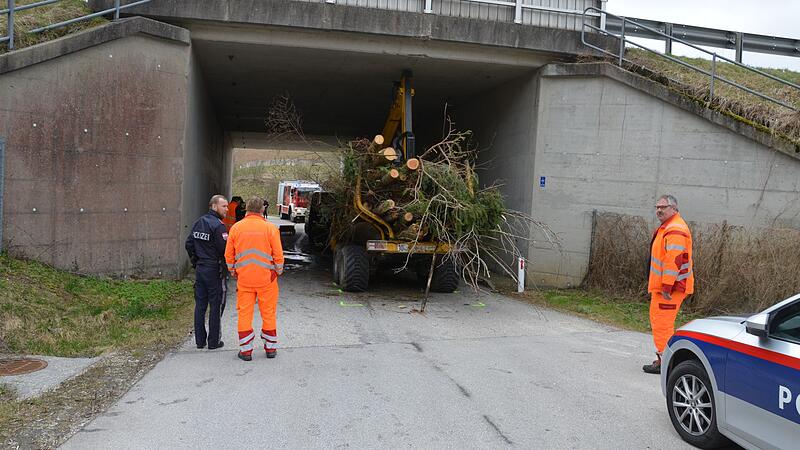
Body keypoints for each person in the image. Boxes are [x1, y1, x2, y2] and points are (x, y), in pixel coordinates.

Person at [225, 196, 284, 361]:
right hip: (267, 280)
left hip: (244, 280)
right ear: (262, 209)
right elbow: (278, 255)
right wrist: (277, 271)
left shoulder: (236, 228)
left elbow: (228, 254)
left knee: (244, 314)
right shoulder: (270, 228)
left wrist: (233, 271)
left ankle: (245, 351)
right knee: (269, 313)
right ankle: (270, 349)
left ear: (246, 209)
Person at [643, 195, 694, 374]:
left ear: (674, 209)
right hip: (665, 287)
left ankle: (667, 363)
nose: (659, 210)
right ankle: (664, 359)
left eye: (663, 207)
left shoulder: (675, 229)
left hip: (670, 289)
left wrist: (666, 286)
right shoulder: (668, 227)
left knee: (662, 323)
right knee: (659, 321)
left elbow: (674, 260)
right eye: (657, 207)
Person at [185, 195, 229, 350]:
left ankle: (200, 341)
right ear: (214, 206)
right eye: (224, 206)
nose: (227, 209)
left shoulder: (199, 222)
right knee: (216, 305)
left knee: (200, 305)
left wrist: (195, 261)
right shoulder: (218, 226)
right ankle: (213, 341)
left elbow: (189, 243)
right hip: (214, 270)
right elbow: (225, 251)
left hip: (201, 269)